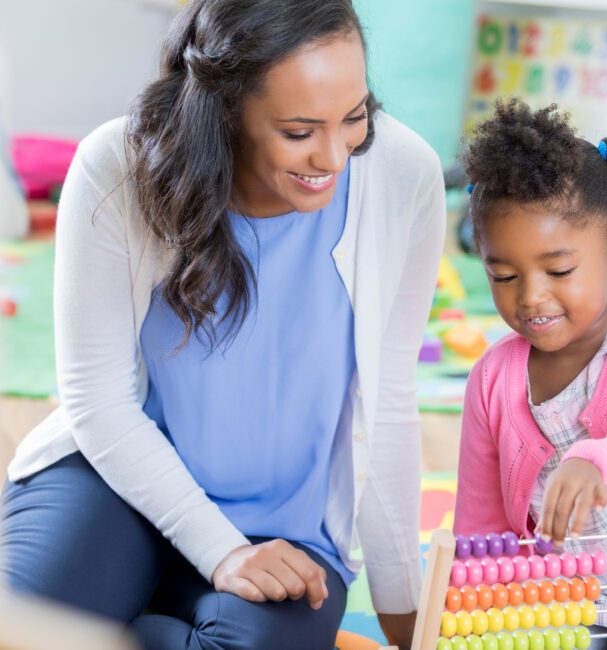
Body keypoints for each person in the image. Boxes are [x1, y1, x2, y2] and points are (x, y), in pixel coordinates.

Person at [0, 1, 446, 649]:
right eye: (299, 131)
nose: (334, 155)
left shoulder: (403, 174)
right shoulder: (116, 166)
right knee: (24, 630)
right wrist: (218, 552)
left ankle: (128, 622)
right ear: (225, 111)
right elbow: (97, 399)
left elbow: (392, 402)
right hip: (115, 485)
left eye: (355, 116)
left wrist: (405, 614)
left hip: (287, 529)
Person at [453, 98, 607, 648]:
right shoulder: (493, 380)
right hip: (557, 606)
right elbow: (480, 518)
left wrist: (597, 461)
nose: (532, 296)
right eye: (505, 275)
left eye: (559, 270)